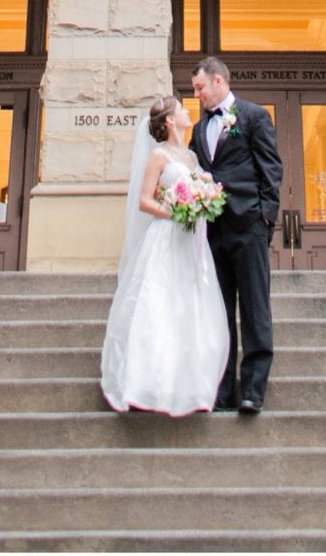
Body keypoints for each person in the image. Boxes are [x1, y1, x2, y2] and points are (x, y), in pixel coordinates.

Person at [100, 95, 229, 415]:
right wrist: (177, 212)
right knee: (158, 305)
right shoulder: (158, 157)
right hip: (166, 236)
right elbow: (145, 201)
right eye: (182, 110)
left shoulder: (191, 156)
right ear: (170, 120)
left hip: (191, 241)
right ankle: (145, 383)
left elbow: (203, 187)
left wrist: (204, 199)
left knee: (190, 307)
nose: (188, 112)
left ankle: (190, 386)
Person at [190, 56, 283, 414]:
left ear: (219, 82)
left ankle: (253, 391)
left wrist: (265, 217)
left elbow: (270, 168)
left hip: (249, 226)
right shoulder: (199, 129)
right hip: (214, 231)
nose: (196, 94)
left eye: (200, 87)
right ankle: (224, 390)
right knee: (221, 312)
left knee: (255, 308)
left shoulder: (254, 116)